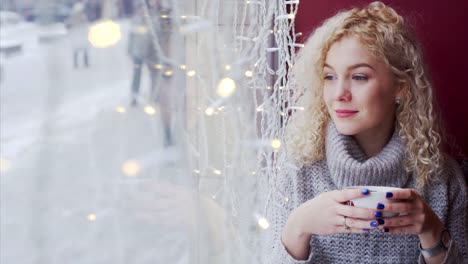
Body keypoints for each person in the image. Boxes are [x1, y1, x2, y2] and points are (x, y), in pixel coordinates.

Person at [264, 2, 467, 263]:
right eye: (329, 77)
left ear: (401, 88)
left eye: (359, 77)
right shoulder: (296, 169)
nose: (339, 94)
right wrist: (298, 226)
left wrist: (431, 230)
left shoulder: (443, 179)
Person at [67, 1, 90, 68]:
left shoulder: (75, 16)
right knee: (80, 49)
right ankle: (81, 63)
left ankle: (80, 63)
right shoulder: (80, 16)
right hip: (79, 35)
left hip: (79, 35)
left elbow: (69, 26)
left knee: (80, 49)